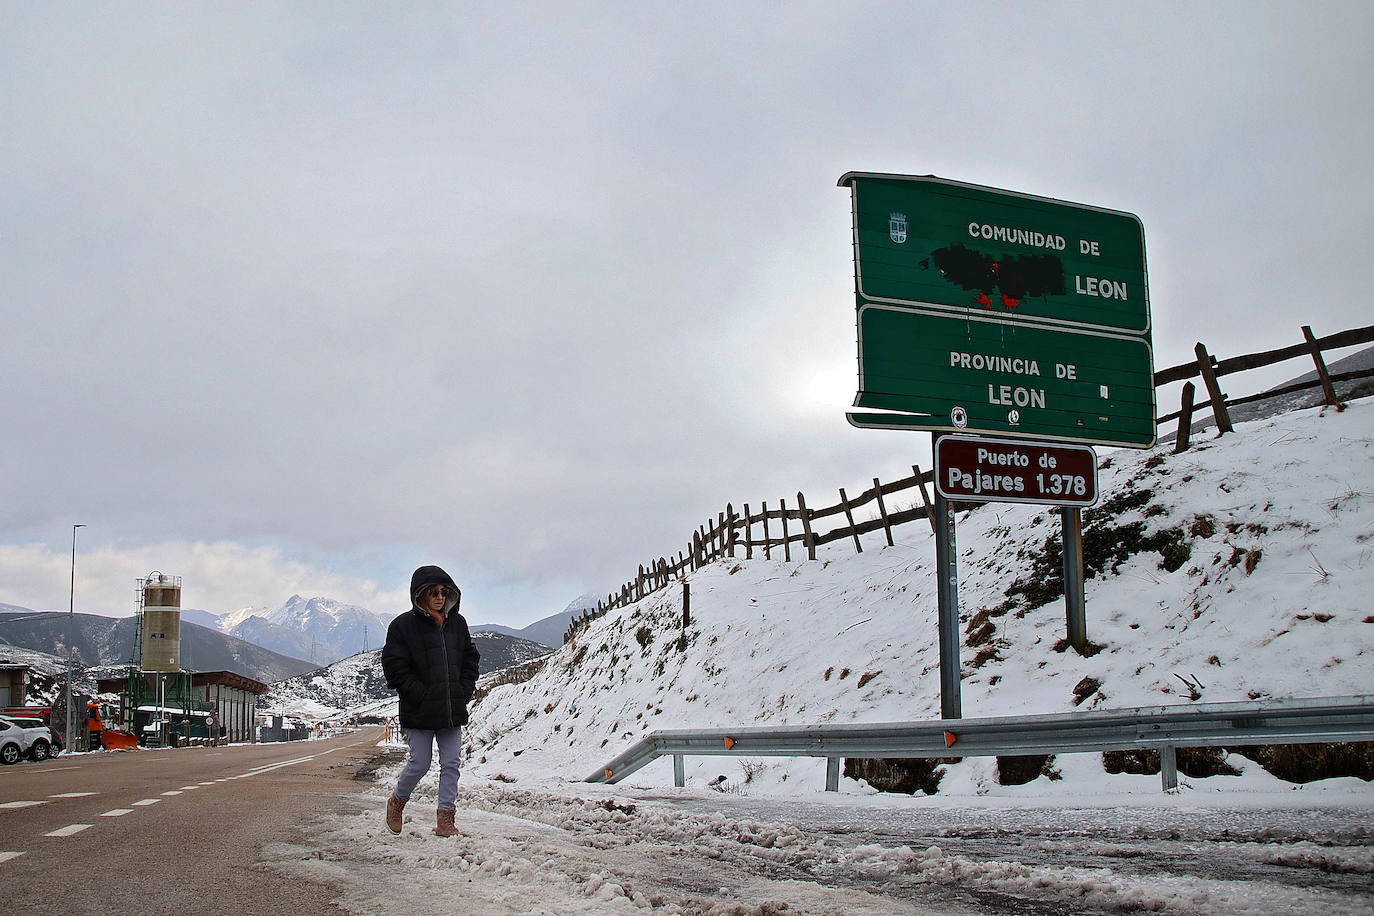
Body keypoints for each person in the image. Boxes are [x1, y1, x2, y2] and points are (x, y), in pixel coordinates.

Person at [381, 565, 480, 837]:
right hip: (419, 711)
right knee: (420, 762)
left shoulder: (457, 624)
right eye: (433, 592)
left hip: (451, 709)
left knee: (451, 763)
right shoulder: (402, 626)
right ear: (420, 595)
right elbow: (395, 669)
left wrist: (464, 689)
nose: (439, 597)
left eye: (443, 591)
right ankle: (397, 802)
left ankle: (445, 820)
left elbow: (470, 658)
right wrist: (420, 695)